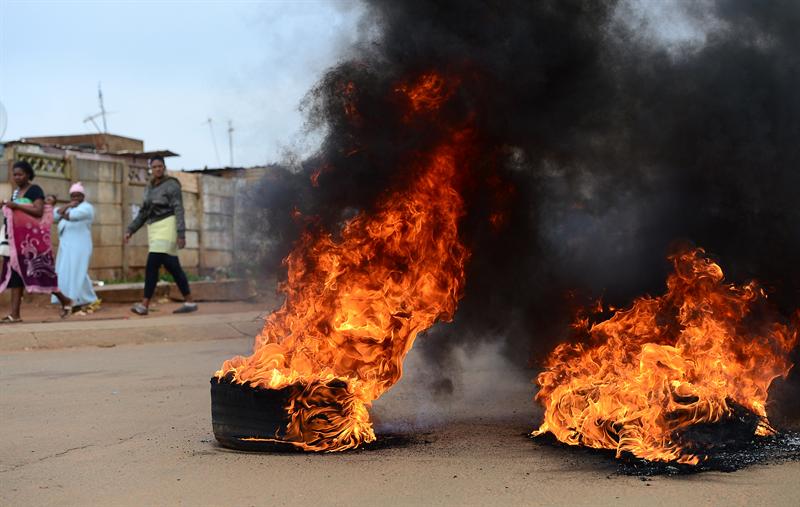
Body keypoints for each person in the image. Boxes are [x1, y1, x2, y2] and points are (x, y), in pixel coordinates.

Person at [0, 160, 72, 321]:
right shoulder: (16, 192)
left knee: (39, 273)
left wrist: (15, 206)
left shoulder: (34, 190)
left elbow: (38, 211)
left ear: (28, 174)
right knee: (16, 276)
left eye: (20, 174)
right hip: (15, 241)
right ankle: (15, 314)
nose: (17, 177)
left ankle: (65, 300)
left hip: (31, 242)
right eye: (15, 174)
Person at [125, 156, 197, 315]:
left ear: (164, 167)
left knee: (153, 263)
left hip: (168, 224)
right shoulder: (149, 187)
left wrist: (181, 233)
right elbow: (143, 212)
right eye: (154, 166)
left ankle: (144, 304)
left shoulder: (172, 184)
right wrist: (130, 230)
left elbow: (179, 208)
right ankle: (190, 301)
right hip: (154, 227)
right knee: (172, 265)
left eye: (160, 166)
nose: (157, 169)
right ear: (151, 169)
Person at [51, 183, 98, 309]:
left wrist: (66, 209)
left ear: (83, 196)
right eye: (73, 196)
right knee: (64, 272)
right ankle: (86, 299)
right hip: (66, 247)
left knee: (78, 271)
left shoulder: (87, 208)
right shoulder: (69, 207)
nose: (75, 198)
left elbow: (70, 217)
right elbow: (53, 216)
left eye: (78, 195)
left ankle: (76, 300)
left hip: (80, 246)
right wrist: (68, 206)